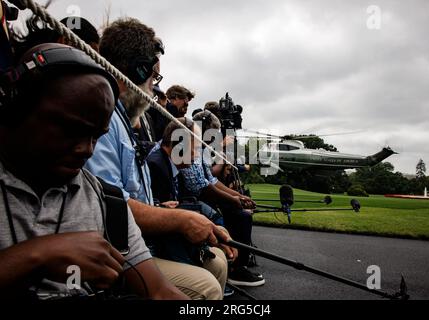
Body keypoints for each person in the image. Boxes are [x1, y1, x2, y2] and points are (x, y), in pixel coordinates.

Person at [0, 43, 187, 300]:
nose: (86, 149)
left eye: (96, 137)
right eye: (70, 129)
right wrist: (37, 256)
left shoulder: (108, 203)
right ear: (13, 109)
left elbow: (159, 291)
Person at [84, 18, 231, 300]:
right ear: (138, 70)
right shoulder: (107, 119)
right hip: (117, 255)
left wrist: (164, 209)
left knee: (216, 263)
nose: (153, 87)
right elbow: (108, 204)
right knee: (207, 287)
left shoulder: (124, 121)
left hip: (139, 243)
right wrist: (179, 219)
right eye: (154, 77)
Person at [179, 111, 265, 287]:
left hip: (202, 198)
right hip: (189, 201)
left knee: (240, 214)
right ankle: (233, 267)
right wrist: (233, 199)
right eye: (214, 133)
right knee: (237, 216)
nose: (216, 138)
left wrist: (238, 196)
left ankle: (236, 265)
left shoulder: (201, 149)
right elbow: (200, 186)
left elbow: (211, 180)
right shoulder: (190, 148)